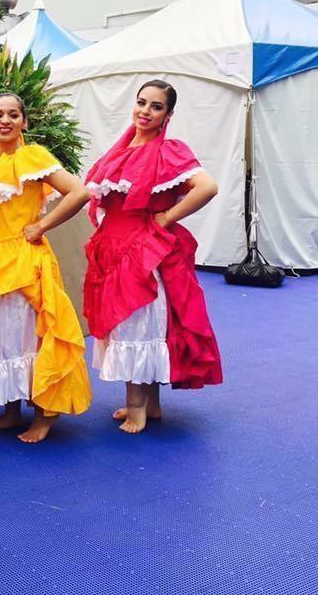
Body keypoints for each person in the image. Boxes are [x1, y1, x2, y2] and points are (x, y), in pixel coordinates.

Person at [0, 93, 92, 443]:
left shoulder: (34, 157)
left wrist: (41, 226)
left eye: (13, 114)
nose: (5, 120)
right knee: (0, 338)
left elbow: (79, 192)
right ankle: (11, 412)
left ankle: (44, 415)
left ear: (24, 122)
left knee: (31, 335)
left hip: (24, 261)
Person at [83, 79, 223, 434]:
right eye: (142, 102)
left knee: (136, 323)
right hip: (117, 249)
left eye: (156, 106)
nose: (145, 111)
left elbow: (208, 187)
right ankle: (152, 404)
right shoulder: (122, 149)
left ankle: (137, 409)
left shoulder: (169, 150)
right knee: (139, 324)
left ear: (168, 115)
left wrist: (166, 217)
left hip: (141, 252)